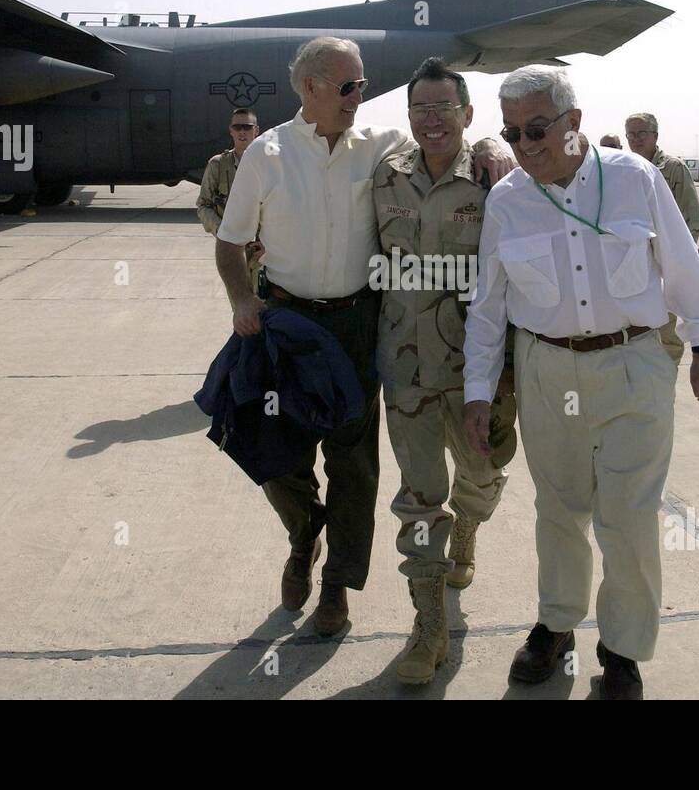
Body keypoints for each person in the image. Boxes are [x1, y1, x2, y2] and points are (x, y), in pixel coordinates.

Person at [214, 37, 512, 637]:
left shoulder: (381, 147)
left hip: (357, 322)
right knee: (275, 452)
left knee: (354, 460)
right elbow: (229, 240)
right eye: (349, 86)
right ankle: (305, 533)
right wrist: (243, 299)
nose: (360, 95)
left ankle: (337, 588)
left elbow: (446, 137)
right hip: (287, 323)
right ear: (311, 89)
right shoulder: (266, 153)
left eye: (363, 85)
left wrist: (492, 141)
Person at [462, 65, 699, 700]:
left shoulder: (636, 179)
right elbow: (488, 305)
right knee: (558, 507)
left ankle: (622, 650)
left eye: (536, 129)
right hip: (546, 369)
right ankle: (556, 626)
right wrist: (478, 389)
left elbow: (684, 265)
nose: (525, 146)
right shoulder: (508, 200)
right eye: (513, 133)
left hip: (634, 363)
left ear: (573, 122)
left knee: (628, 517)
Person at [372, 57, 517, 684]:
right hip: (404, 369)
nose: (432, 121)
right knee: (418, 498)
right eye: (420, 110)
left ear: (467, 114)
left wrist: (497, 147)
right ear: (408, 117)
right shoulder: (383, 176)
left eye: (444, 108)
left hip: (479, 373)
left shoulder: (496, 181)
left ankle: (469, 533)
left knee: (483, 477)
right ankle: (427, 627)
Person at [625, 112, 699, 364]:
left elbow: (691, 218)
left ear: (655, 136)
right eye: (631, 134)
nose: (635, 139)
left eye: (641, 133)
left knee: (666, 330)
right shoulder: (622, 169)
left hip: (665, 263)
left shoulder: (673, 168)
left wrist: (677, 261)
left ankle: (666, 383)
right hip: (632, 265)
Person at [196, 108, 264, 289]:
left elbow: (283, 208)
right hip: (233, 251)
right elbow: (203, 205)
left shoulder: (269, 164)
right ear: (231, 130)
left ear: (256, 130)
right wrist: (222, 232)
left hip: (264, 250)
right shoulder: (217, 165)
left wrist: (270, 241)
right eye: (238, 126)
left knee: (267, 307)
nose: (242, 131)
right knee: (241, 305)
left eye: (247, 127)